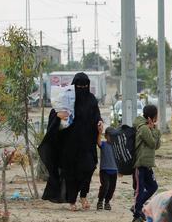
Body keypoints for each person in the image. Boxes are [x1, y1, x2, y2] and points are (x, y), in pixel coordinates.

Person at [39, 72, 103, 211]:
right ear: (74, 85)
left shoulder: (91, 100)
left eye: (85, 85)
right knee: (71, 173)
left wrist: (99, 123)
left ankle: (83, 195)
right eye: (79, 85)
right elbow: (55, 114)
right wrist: (58, 116)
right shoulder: (67, 98)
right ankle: (72, 200)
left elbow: (97, 115)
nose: (82, 88)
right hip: (69, 145)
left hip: (87, 144)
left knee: (89, 167)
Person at [132, 105, 162, 222]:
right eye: (156, 115)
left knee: (153, 187)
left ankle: (136, 206)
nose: (157, 117)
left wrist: (154, 129)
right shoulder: (144, 128)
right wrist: (153, 130)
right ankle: (137, 214)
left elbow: (157, 145)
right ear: (152, 116)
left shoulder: (150, 128)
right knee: (139, 190)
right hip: (140, 164)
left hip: (148, 164)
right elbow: (152, 143)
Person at [96, 127, 118, 211]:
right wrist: (99, 132)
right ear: (105, 136)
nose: (111, 138)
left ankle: (107, 202)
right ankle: (100, 201)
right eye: (110, 136)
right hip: (104, 170)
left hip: (114, 170)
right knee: (105, 186)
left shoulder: (116, 146)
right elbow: (98, 142)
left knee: (112, 187)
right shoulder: (104, 144)